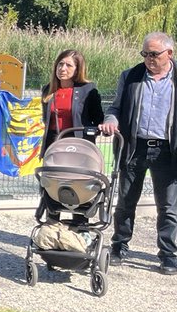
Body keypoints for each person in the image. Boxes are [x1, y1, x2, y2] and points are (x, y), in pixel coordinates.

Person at [99, 31, 177, 274]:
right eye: (145, 54)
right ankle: (119, 246)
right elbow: (115, 108)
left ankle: (168, 254)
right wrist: (111, 120)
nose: (148, 59)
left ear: (169, 54)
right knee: (125, 202)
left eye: (154, 54)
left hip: (168, 150)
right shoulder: (131, 76)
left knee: (169, 207)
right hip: (134, 147)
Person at [41, 48, 103, 151]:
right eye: (60, 64)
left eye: (68, 65)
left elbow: (98, 119)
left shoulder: (88, 89)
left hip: (78, 145)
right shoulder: (47, 90)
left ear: (77, 70)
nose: (62, 68)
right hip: (53, 145)